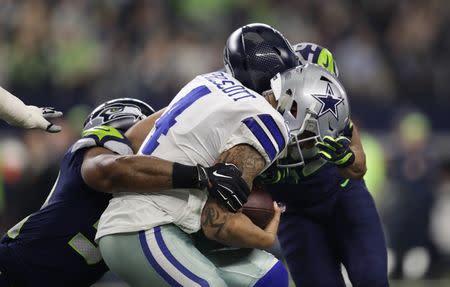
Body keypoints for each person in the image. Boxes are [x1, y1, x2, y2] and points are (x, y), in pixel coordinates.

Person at [96, 23, 297, 287]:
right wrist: (266, 237)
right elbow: (217, 224)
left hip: (171, 224)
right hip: (143, 225)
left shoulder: (207, 81)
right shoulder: (266, 117)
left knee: (269, 278)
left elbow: (134, 135)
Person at [0, 98, 249, 287]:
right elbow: (109, 171)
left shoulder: (151, 196)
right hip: (13, 268)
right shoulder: (98, 148)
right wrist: (200, 175)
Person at [258, 43, 389, 286]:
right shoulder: (263, 110)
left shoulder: (334, 113)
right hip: (296, 213)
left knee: (372, 280)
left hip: (342, 197)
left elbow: (359, 167)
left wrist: (346, 158)